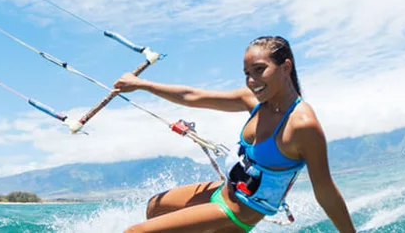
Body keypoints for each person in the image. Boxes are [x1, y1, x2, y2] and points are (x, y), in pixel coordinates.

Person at [115, 36, 356, 233]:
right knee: (155, 208)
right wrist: (141, 84)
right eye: (247, 73)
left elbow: (325, 190)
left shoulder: (302, 125)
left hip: (239, 213)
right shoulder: (257, 102)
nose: (252, 81)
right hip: (223, 191)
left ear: (286, 67)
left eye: (260, 70)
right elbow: (192, 96)